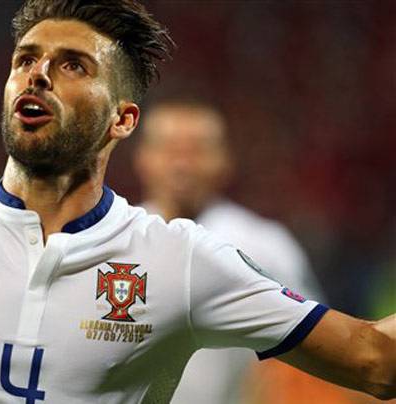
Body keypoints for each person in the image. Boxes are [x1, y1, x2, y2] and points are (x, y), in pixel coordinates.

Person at [0, 1, 394, 403]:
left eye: (72, 66)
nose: (36, 73)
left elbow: (375, 362)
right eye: (26, 59)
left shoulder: (184, 261)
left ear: (123, 120)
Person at [134, 97, 326, 403]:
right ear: (143, 158)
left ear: (224, 160)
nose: (182, 164)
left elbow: (312, 350)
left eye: (197, 150)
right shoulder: (117, 238)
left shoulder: (266, 245)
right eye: (170, 149)